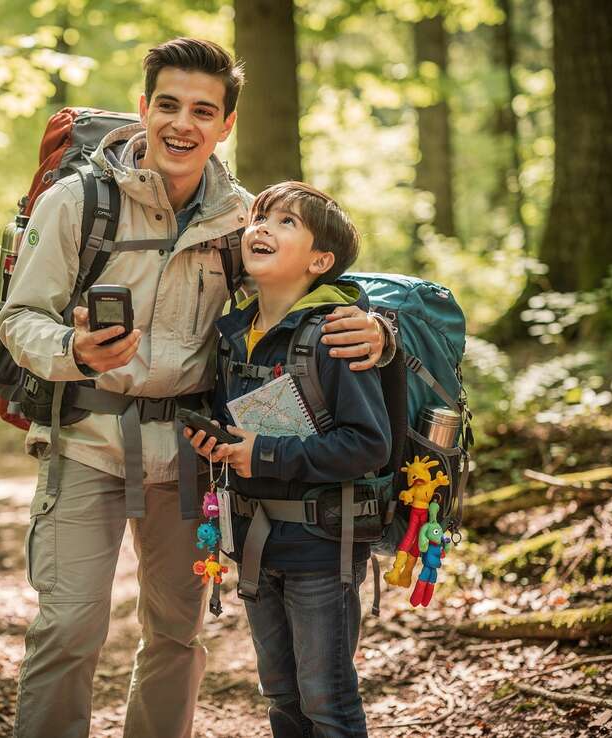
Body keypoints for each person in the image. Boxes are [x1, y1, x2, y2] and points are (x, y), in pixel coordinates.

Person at [0, 38, 390, 738]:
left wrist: (384, 331)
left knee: (177, 635)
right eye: (169, 105)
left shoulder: (240, 217)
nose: (183, 124)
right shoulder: (77, 202)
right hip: (84, 442)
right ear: (144, 108)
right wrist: (73, 349)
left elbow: (306, 288)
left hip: (188, 457)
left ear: (225, 124)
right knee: (68, 630)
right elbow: (18, 318)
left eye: (202, 111)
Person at [187, 181, 389, 738]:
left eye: (285, 223)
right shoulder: (234, 336)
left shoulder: (336, 335)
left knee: (327, 699)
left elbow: (368, 445)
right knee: (280, 695)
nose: (263, 229)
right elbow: (241, 435)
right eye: (260, 218)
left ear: (319, 260)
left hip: (322, 547)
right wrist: (221, 447)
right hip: (255, 542)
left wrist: (266, 453)